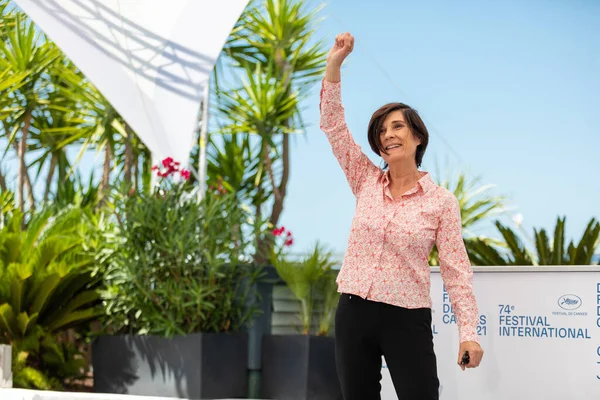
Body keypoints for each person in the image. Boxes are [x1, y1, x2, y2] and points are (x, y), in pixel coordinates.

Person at [320, 32, 484, 400]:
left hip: (405, 316)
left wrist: (468, 332)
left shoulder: (440, 202)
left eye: (397, 127)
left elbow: (457, 271)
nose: (388, 135)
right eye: (381, 131)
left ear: (418, 137)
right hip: (353, 309)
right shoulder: (365, 180)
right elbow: (333, 126)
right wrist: (334, 64)